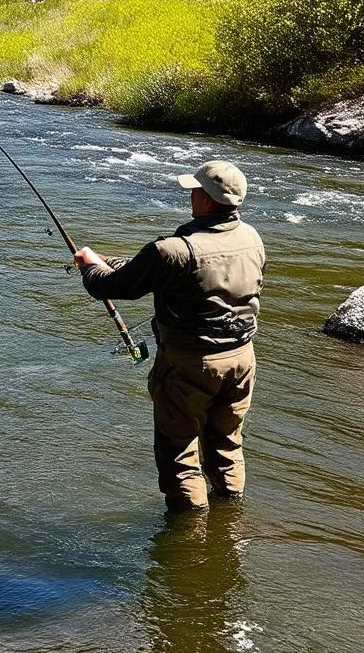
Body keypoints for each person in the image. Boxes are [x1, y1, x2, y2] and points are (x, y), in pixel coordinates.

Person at [74, 161, 266, 513]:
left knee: (179, 451)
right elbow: (164, 271)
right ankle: (231, 515)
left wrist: (89, 265)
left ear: (206, 200)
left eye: (195, 190)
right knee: (227, 443)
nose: (191, 194)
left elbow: (111, 286)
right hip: (242, 360)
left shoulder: (172, 250)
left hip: (190, 365)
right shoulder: (251, 238)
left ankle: (190, 537)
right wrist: (106, 259)